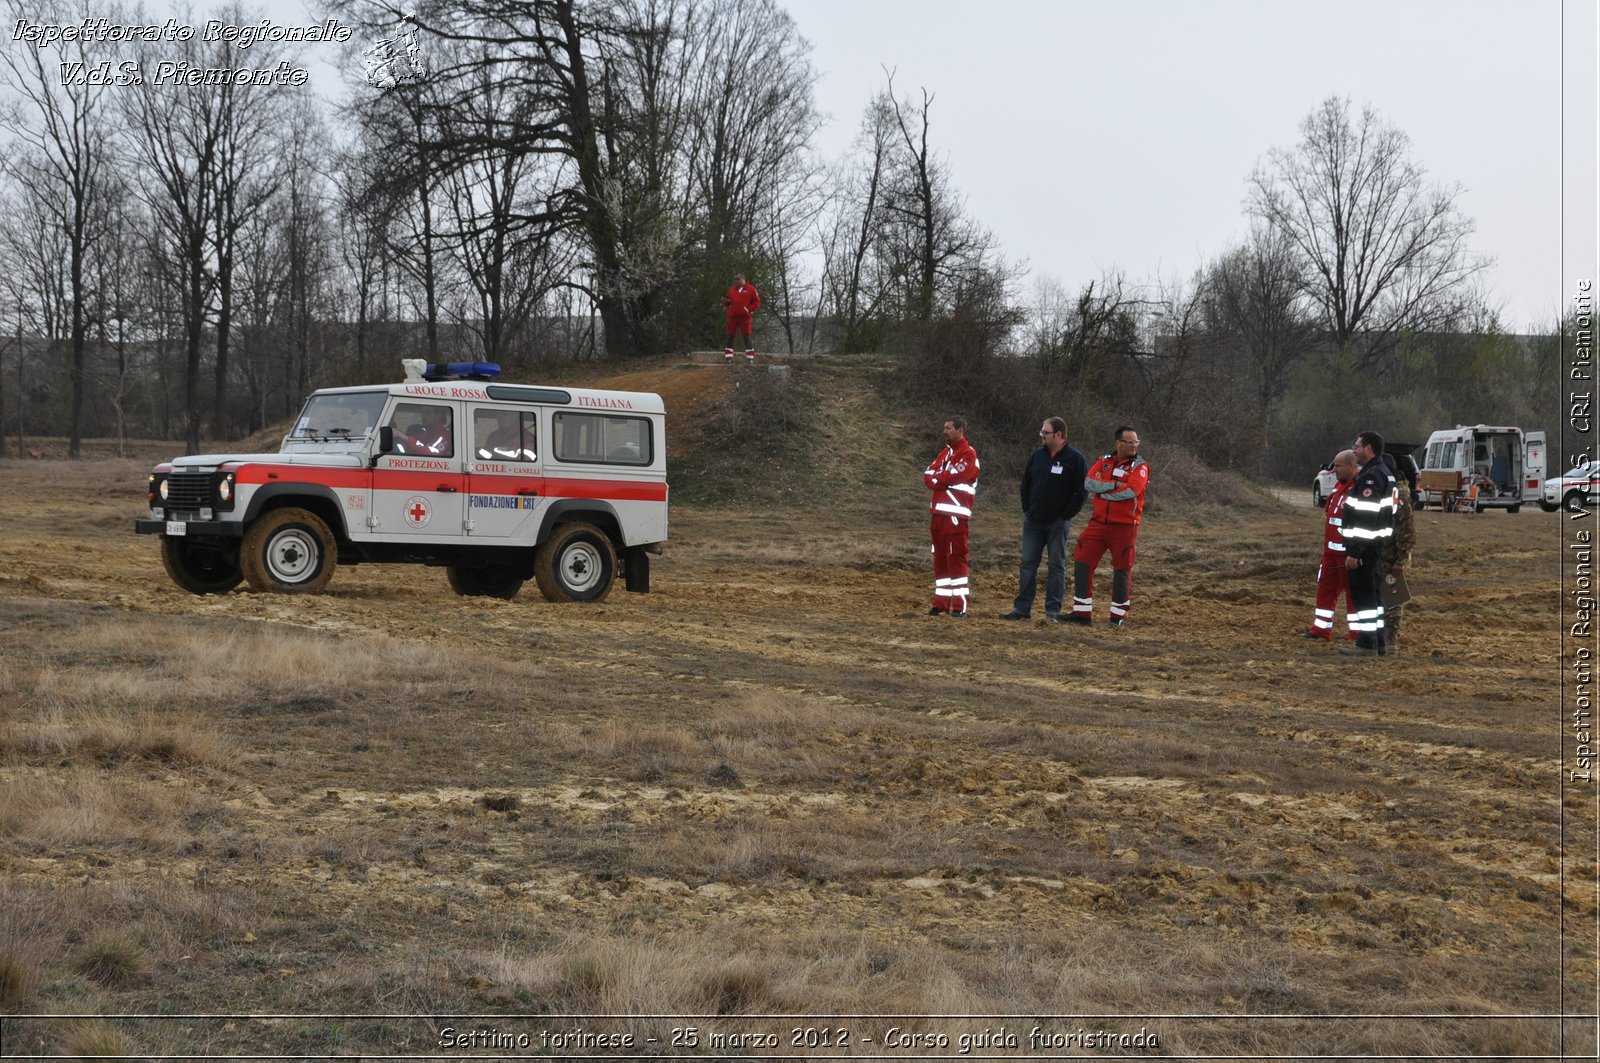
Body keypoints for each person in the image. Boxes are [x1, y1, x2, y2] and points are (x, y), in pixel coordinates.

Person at [1059, 425, 1149, 628]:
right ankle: (1082, 613)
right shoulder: (1104, 460)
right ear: (1119, 443)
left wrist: (1105, 491)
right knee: (1082, 561)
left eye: (1136, 442)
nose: (1134, 445)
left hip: (1125, 526)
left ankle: (1117, 617)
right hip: (1098, 523)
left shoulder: (1140, 466)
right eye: (1130, 441)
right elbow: (1089, 483)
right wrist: (1115, 485)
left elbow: (1132, 490)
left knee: (1121, 569)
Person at [1000, 417, 1087, 621]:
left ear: (1058, 435)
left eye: (1045, 433)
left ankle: (1052, 610)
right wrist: (1027, 508)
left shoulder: (1075, 459)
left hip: (1058, 522)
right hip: (1033, 521)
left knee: (1056, 565)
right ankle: (1022, 609)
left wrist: (1065, 515)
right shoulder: (1038, 455)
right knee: (1028, 563)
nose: (1041, 436)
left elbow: (1081, 492)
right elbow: (1026, 484)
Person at [1340, 430, 1397, 657]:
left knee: (1364, 594)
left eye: (1357, 446)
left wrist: (1354, 551)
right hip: (1377, 545)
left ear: (1369, 448)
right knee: (1375, 594)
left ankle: (1366, 643)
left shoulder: (1371, 477)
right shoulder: (1386, 473)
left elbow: (1365, 517)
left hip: (1365, 546)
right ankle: (1379, 641)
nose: (1354, 450)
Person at [924, 416, 980, 617]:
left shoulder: (968, 454)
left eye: (948, 428)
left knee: (956, 558)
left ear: (960, 429)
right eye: (944, 427)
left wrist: (941, 478)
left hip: (955, 516)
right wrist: (942, 479)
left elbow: (954, 476)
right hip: (937, 515)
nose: (944, 431)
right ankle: (940, 602)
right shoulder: (944, 453)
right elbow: (928, 476)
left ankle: (959, 605)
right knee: (939, 558)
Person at [1302, 449, 1359, 641]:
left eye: (1338, 466)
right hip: (1330, 553)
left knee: (1353, 594)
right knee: (1325, 589)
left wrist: (1355, 551)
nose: (1334, 470)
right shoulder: (1338, 486)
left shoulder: (1359, 487)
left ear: (1351, 466)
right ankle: (1320, 630)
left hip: (1348, 554)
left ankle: (1357, 634)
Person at [1380, 453, 1417, 656]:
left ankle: (1391, 642)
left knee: (1393, 599)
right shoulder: (1390, 489)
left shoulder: (1399, 493)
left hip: (1393, 557)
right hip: (1384, 553)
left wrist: (1401, 559)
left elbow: (1407, 529)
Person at [722, 273, 761, 364]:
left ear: (743, 279)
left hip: (744, 317)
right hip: (732, 316)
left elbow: (757, 302)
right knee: (730, 335)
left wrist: (748, 309)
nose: (737, 281)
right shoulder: (731, 290)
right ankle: (728, 357)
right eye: (735, 280)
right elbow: (727, 301)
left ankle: (750, 357)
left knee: (746, 335)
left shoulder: (751, 289)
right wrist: (727, 302)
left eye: (738, 279)